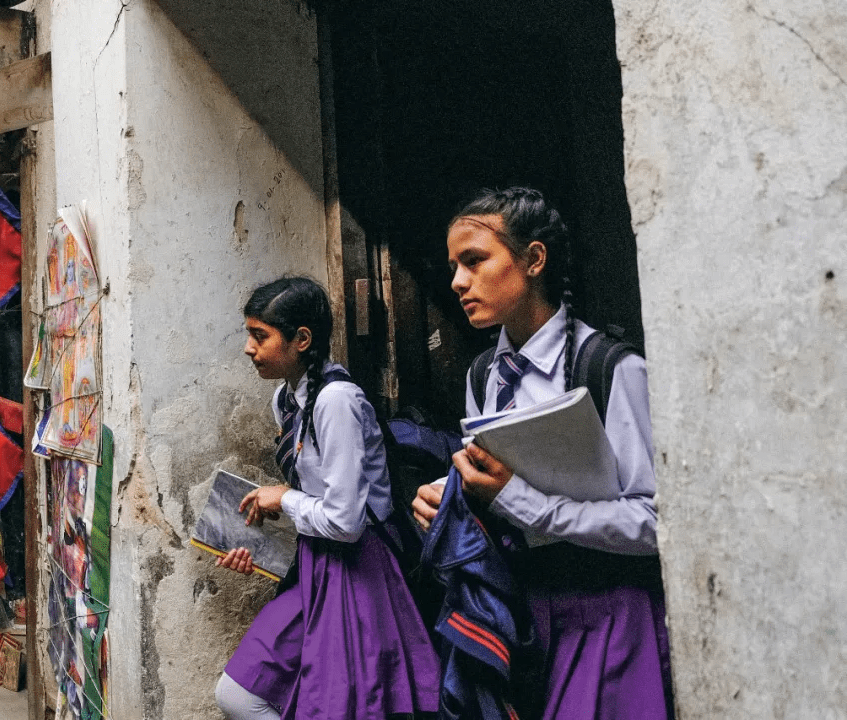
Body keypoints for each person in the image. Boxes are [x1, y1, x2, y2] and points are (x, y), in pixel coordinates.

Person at [412, 187, 673, 719]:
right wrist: (450, 503)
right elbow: (490, 485)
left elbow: (656, 522)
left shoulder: (609, 369)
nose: (459, 281)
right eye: (454, 266)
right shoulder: (484, 375)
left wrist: (522, 501)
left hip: (607, 617)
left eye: (475, 260)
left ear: (533, 259)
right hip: (519, 623)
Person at [214, 277, 440, 720]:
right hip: (313, 566)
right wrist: (258, 547)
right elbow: (307, 501)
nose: (248, 347)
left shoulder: (337, 401)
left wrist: (284, 499)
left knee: (348, 707)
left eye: (260, 336)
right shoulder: (285, 399)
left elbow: (347, 521)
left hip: (360, 568)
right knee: (236, 694)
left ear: (302, 340)